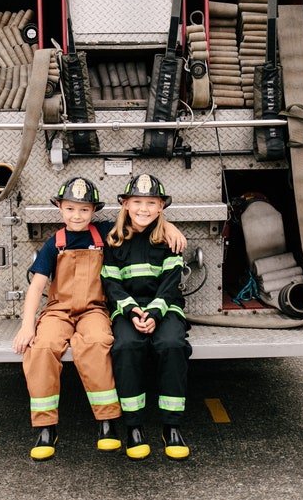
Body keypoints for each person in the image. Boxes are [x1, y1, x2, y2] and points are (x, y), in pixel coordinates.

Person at [12, 176, 186, 461]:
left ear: (94, 211)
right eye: (70, 209)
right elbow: (37, 286)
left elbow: (141, 219)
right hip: (58, 310)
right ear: (59, 208)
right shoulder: (52, 244)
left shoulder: (104, 231)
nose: (77, 215)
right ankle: (46, 428)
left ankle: (107, 423)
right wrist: (27, 326)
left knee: (98, 343)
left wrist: (170, 225)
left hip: (94, 309)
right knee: (41, 348)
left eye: (83, 210)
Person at [101, 174, 192, 461]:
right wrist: (131, 311)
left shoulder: (169, 240)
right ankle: (134, 427)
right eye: (137, 202)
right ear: (125, 204)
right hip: (128, 309)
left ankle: (171, 426)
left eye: (151, 203)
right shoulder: (113, 241)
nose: (144, 208)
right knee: (126, 347)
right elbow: (111, 283)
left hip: (164, 308)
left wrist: (153, 312)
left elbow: (170, 282)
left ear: (161, 206)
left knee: (172, 345)